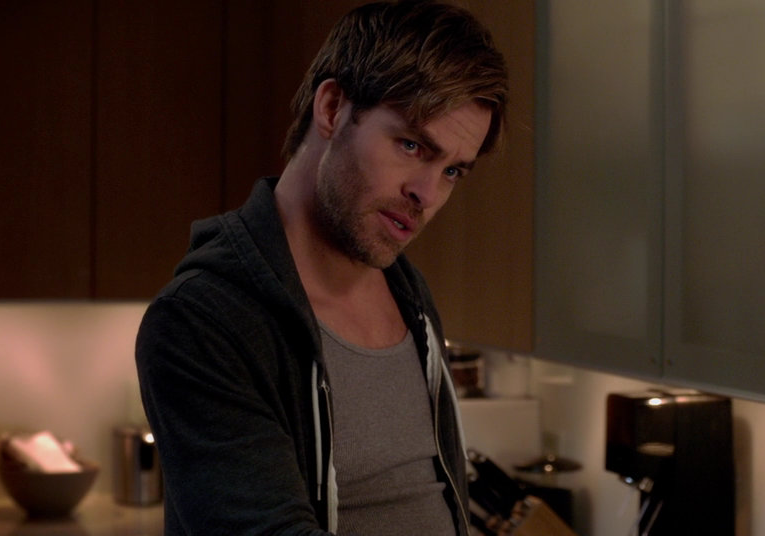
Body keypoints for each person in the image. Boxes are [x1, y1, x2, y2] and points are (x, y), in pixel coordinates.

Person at [134, 1, 507, 534]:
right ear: (332, 108)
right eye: (411, 145)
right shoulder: (200, 321)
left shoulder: (409, 295)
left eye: (452, 171)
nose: (427, 194)